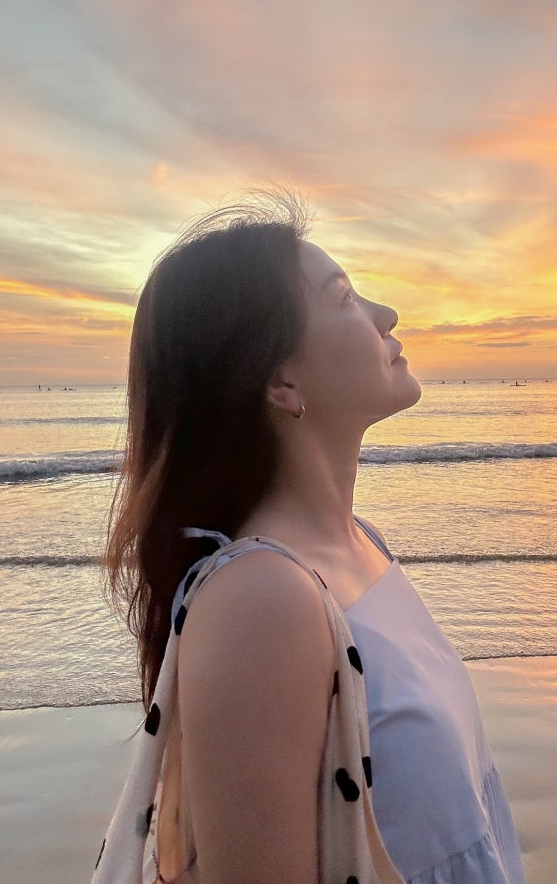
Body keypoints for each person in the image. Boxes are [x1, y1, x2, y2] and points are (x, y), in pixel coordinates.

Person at [103, 192, 525, 884]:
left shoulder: (360, 545)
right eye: (344, 297)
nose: (386, 316)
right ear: (279, 380)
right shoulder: (261, 600)